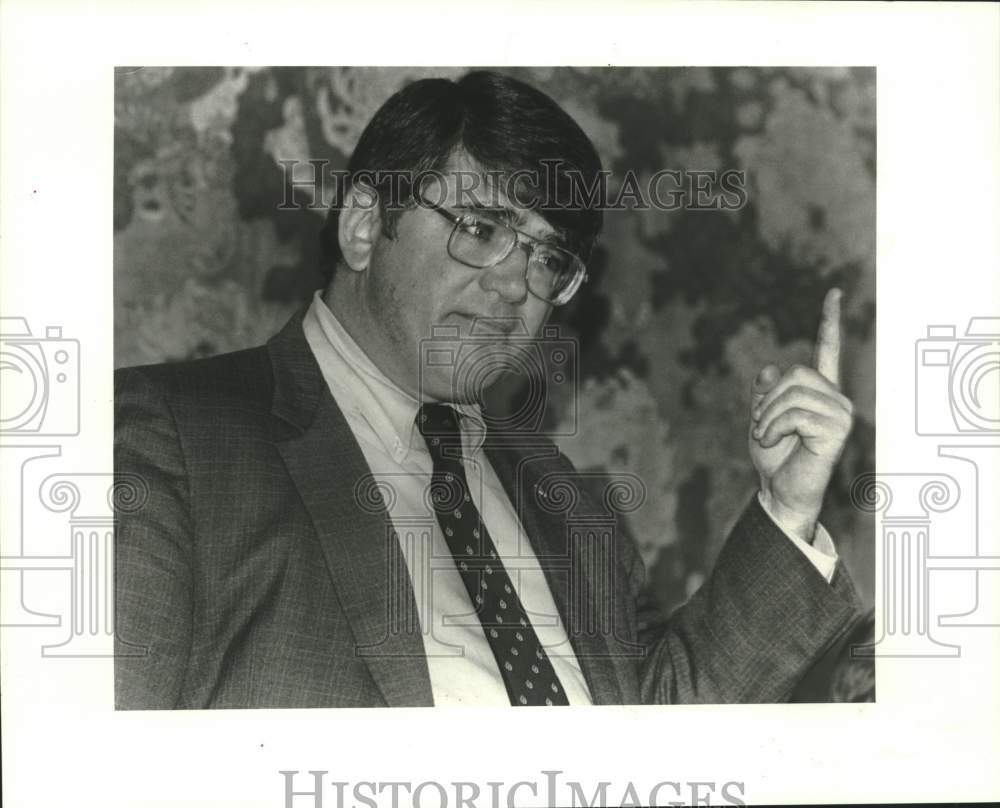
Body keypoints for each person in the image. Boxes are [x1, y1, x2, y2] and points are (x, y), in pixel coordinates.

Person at [114, 70, 863, 709]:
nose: (515, 287)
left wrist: (789, 506)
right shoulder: (170, 440)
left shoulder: (563, 498)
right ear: (366, 227)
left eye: (548, 260)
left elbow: (660, 720)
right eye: (479, 228)